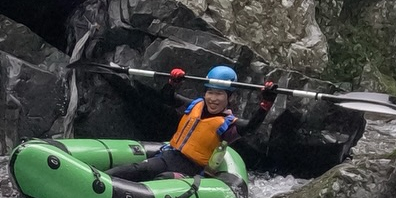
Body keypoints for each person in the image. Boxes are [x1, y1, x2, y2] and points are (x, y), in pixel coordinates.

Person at [117, 65, 277, 182]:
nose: (213, 99)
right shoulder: (195, 105)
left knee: (162, 179)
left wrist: (265, 104)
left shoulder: (229, 125)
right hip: (168, 156)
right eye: (210, 92)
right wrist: (173, 83)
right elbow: (166, 98)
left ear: (229, 98)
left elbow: (251, 127)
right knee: (138, 169)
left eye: (219, 94)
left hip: (189, 170)